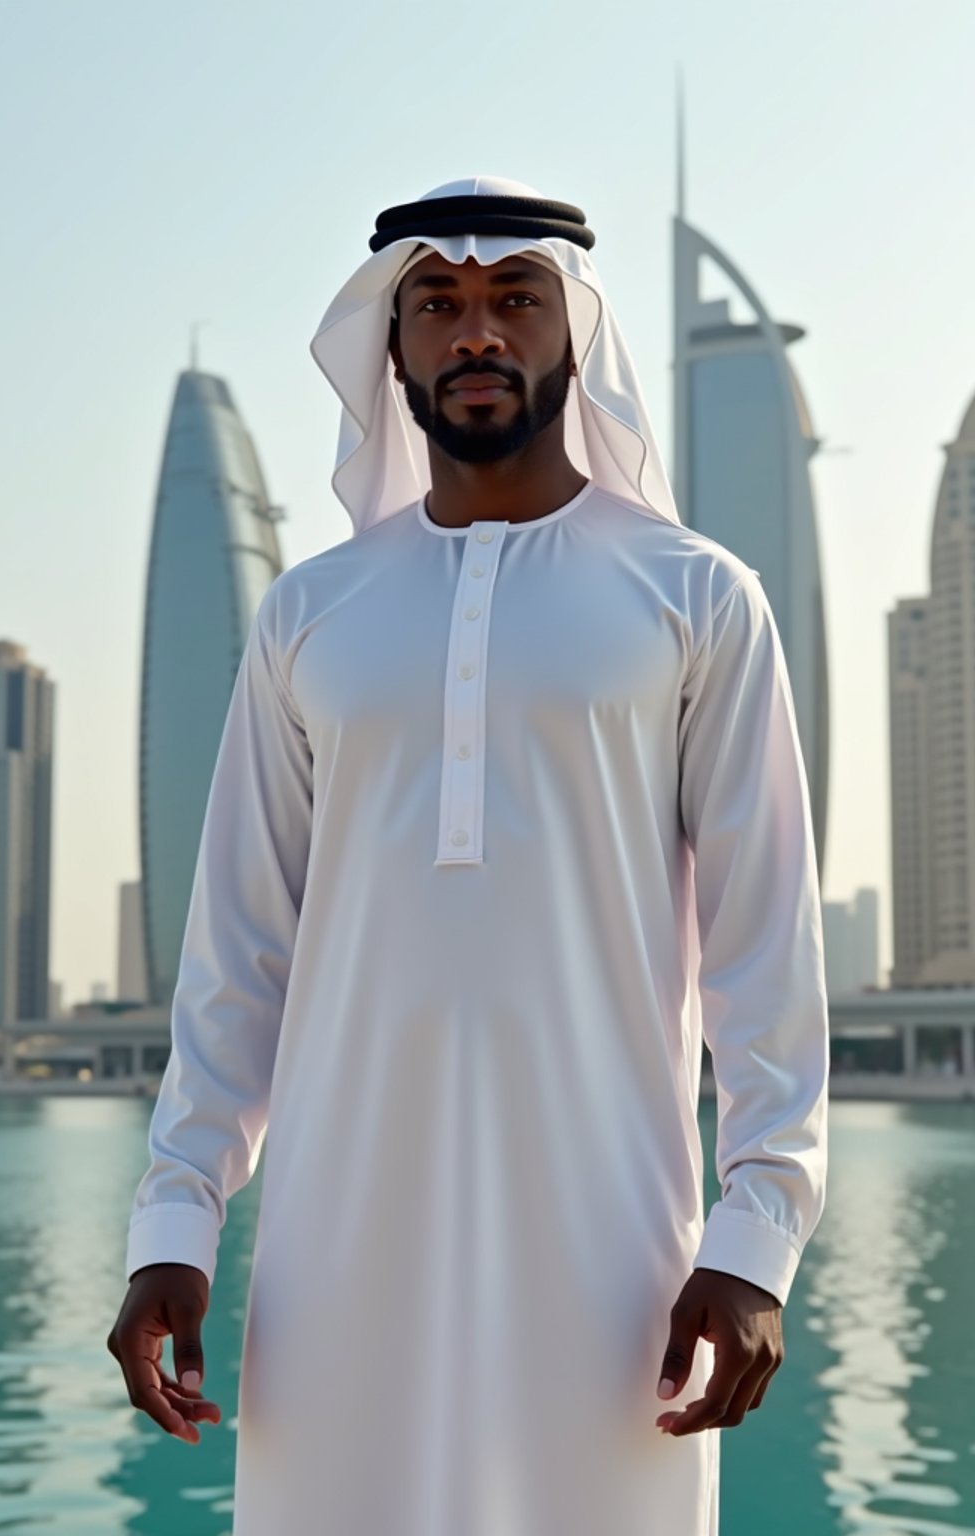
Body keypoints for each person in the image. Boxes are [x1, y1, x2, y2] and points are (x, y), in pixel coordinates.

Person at [107, 175, 829, 1535]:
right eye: (436, 304)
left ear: (575, 335)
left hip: (615, 1266)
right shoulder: (308, 615)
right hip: (336, 1269)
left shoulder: (696, 598)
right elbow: (236, 960)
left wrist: (756, 1245)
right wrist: (174, 1228)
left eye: (514, 299)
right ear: (391, 347)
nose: (474, 332)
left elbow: (765, 954)